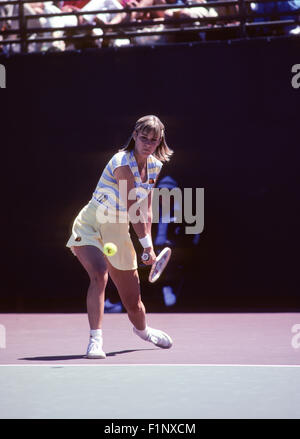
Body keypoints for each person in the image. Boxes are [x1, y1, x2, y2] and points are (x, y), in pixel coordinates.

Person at [66, 115, 174, 359]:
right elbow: (132, 204)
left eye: (153, 140)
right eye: (143, 137)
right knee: (99, 274)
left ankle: (143, 332)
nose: (147, 143)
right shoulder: (121, 162)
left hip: (118, 229)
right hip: (92, 221)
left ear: (159, 142)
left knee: (134, 303)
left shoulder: (155, 167)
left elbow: (145, 209)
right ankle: (95, 341)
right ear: (134, 135)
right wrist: (146, 246)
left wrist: (148, 247)